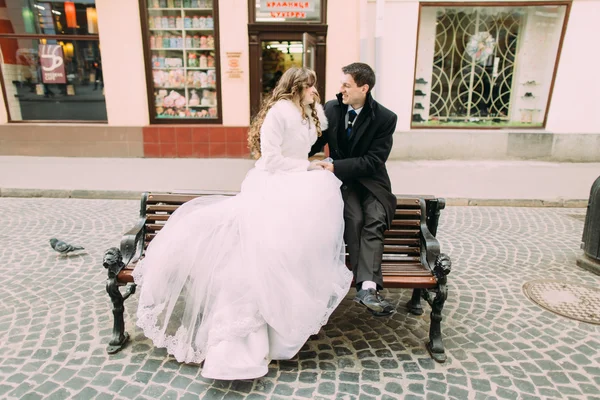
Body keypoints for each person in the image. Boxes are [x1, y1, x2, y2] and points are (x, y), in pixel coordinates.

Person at [133, 67, 352, 380]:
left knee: (294, 247)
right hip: (275, 183)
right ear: (297, 87)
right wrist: (307, 167)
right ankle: (245, 334)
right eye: (310, 87)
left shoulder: (310, 110)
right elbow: (272, 159)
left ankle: (287, 310)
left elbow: (318, 136)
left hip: (300, 184)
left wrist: (315, 153)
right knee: (262, 252)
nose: (315, 91)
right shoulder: (278, 112)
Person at [310, 62, 398, 316]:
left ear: (364, 88)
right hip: (343, 182)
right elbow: (316, 143)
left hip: (372, 182)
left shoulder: (385, 118)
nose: (341, 89)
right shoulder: (332, 109)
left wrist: (335, 166)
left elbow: (374, 161)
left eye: (346, 85)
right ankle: (366, 287)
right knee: (354, 218)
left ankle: (367, 288)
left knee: (375, 219)